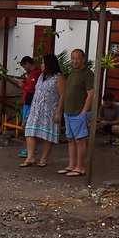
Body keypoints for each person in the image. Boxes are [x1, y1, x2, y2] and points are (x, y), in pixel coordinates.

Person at [21, 54, 65, 168]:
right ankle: (30, 157)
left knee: (48, 135)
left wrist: (59, 113)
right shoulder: (41, 76)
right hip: (36, 109)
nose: (41, 65)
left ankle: (43, 159)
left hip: (50, 111)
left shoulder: (58, 77)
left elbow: (63, 96)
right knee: (29, 131)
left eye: (43, 63)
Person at [59, 48, 94, 177]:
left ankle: (80, 167)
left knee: (80, 140)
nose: (75, 61)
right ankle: (72, 165)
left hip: (79, 112)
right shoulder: (73, 72)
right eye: (73, 58)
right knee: (70, 139)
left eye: (78, 58)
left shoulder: (88, 73)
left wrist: (84, 112)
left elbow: (91, 94)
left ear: (83, 59)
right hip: (68, 112)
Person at [17, 56, 42, 159]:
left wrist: (22, 85)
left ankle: (30, 149)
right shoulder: (32, 74)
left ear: (28, 64)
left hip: (30, 103)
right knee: (26, 125)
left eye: (24, 67)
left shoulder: (35, 74)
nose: (24, 69)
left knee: (26, 125)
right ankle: (30, 148)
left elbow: (31, 89)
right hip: (27, 103)